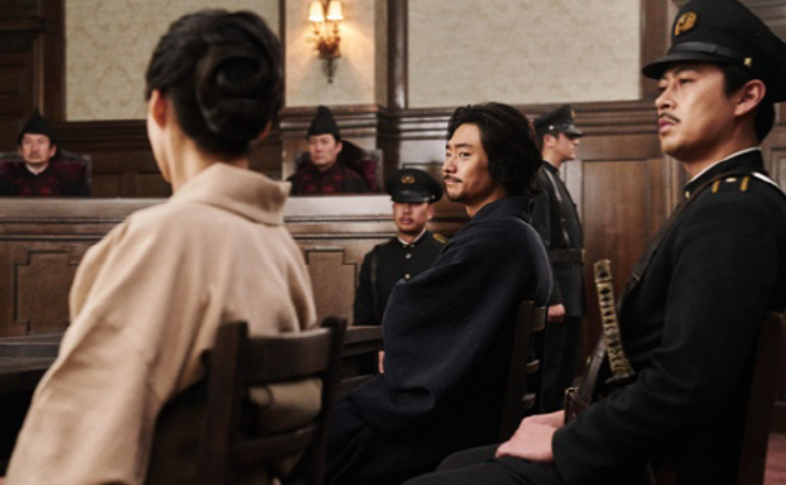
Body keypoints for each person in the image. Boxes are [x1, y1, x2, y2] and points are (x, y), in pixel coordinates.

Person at [403, 1, 786, 484]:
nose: (663, 100)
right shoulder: (718, 199)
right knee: (454, 463)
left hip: (654, 466)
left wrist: (569, 439)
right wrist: (571, 418)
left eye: (685, 81)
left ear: (747, 96)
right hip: (641, 448)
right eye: (662, 86)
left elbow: (686, 385)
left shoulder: (734, 209)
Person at [5, 10, 317, 485]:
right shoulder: (279, 246)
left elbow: (74, 456)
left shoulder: (163, 241)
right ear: (262, 127)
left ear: (159, 108)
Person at [326, 102, 551, 485]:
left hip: (451, 426)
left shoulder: (497, 238)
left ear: (501, 163)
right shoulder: (510, 232)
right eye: (448, 153)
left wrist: (403, 299)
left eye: (464, 154)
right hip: (466, 412)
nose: (448, 166)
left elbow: (411, 310)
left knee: (322, 436)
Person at [532, 104, 586, 412]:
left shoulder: (552, 178)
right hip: (558, 293)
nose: (576, 141)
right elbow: (538, 242)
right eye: (569, 135)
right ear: (549, 139)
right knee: (551, 375)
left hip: (569, 288)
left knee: (564, 372)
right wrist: (552, 296)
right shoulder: (540, 179)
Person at [353, 168, 446, 327]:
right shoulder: (376, 258)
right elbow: (363, 320)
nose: (406, 211)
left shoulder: (446, 253)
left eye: (415, 204)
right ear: (393, 209)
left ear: (430, 212)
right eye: (400, 203)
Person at [0, 110, 90, 197]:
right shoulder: (6, 181)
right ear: (20, 150)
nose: (34, 149)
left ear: (52, 151)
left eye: (41, 142)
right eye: (28, 142)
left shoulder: (71, 182)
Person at [287, 105, 369, 194]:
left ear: (338, 147)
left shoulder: (353, 181)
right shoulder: (295, 182)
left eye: (324, 142)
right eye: (313, 142)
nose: (318, 148)